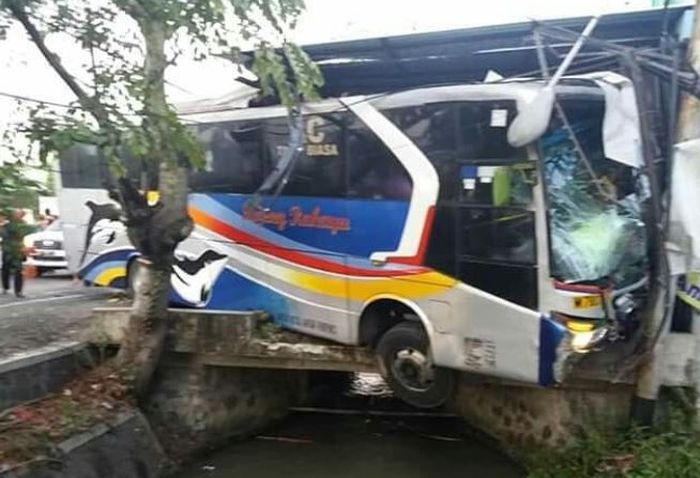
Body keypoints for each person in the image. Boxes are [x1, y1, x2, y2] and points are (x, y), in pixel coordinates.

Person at [1, 209, 30, 298]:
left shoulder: (23, 225)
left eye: (20, 214)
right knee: (6, 269)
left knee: (19, 271)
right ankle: (6, 287)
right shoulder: (8, 225)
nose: (18, 215)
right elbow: (3, 235)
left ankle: (18, 291)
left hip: (17, 251)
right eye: (17, 214)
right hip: (8, 250)